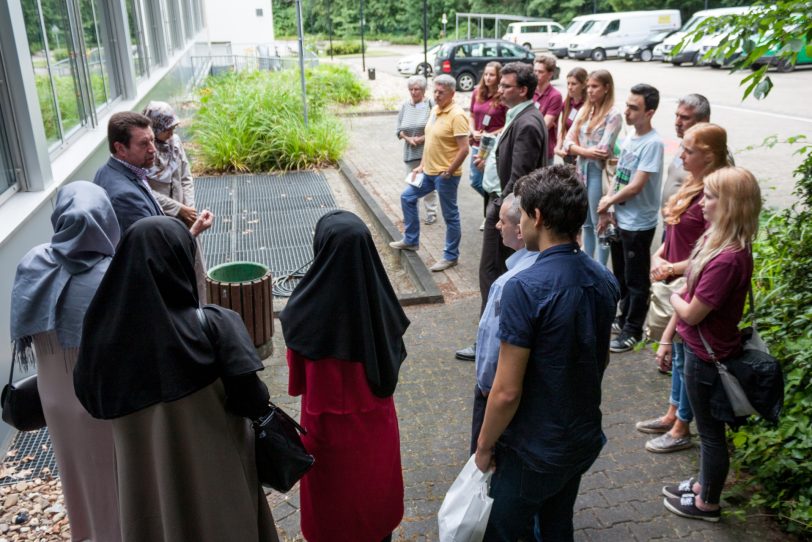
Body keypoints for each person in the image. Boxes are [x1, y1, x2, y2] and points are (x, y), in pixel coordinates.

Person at [74, 216, 279, 542]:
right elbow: (253, 400)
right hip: (216, 477)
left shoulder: (101, 343)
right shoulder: (214, 326)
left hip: (145, 489)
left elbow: (90, 400)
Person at [475, 165, 619, 541]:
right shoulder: (604, 278)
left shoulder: (523, 287)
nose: (518, 224)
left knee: (504, 529)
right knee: (557, 524)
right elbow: (598, 360)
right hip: (580, 438)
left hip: (533, 448)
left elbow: (506, 391)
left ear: (537, 217)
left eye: (522, 215)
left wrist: (484, 445)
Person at [281, 210, 409, 542]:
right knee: (374, 509)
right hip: (377, 432)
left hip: (327, 439)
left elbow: (296, 384)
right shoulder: (382, 305)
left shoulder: (301, 313)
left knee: (333, 519)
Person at [9, 181, 121, 542]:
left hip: (53, 395)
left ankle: (85, 533)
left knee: (73, 470)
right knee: (114, 473)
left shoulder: (33, 261)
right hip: (99, 395)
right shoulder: (113, 274)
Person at [661, 167, 762, 522]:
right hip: (699, 351)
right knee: (707, 432)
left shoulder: (728, 258)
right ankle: (704, 485)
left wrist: (674, 295)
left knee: (710, 434)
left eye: (710, 197)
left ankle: (708, 504)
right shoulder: (719, 242)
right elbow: (693, 274)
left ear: (731, 205)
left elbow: (691, 312)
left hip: (708, 358)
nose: (701, 203)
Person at [636, 123, 731, 453]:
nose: (681, 155)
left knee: (684, 355)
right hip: (674, 278)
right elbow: (675, 236)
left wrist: (670, 268)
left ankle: (681, 427)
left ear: (709, 155)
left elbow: (711, 254)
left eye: (688, 150)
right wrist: (658, 256)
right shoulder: (694, 184)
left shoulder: (716, 194)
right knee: (677, 355)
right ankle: (673, 412)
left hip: (688, 284)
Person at [455, 62, 546, 362]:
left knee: (492, 274)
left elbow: (521, 176)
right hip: (504, 206)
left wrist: (500, 211)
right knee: (498, 274)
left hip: (508, 209)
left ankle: (489, 341)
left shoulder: (528, 123)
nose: (500, 89)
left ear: (522, 89)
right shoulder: (519, 116)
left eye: (507, 86)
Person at [597, 83, 665, 353]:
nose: (627, 112)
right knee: (622, 274)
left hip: (639, 223)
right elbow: (621, 176)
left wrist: (608, 201)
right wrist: (609, 208)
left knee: (637, 279)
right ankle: (623, 317)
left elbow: (637, 184)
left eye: (634, 108)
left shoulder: (653, 143)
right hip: (621, 218)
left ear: (649, 112)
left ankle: (633, 330)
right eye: (627, 105)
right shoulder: (630, 138)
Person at [469, 194, 538, 453]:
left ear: (520, 231)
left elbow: (490, 353)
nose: (497, 227)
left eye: (502, 222)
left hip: (501, 397)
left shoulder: (507, 285)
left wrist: (487, 392)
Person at [389, 74, 469, 272]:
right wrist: (422, 165)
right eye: (435, 91)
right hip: (429, 172)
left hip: (445, 176)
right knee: (407, 197)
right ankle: (411, 240)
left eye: (441, 92)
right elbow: (430, 141)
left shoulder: (457, 115)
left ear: (452, 93)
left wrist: (449, 171)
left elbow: (464, 149)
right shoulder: (434, 109)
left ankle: (451, 257)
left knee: (450, 215)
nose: (437, 95)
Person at [94, 111, 213, 238]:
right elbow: (151, 251)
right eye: (144, 143)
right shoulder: (126, 197)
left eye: (152, 140)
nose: (153, 149)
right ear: (120, 148)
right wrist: (193, 232)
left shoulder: (107, 171)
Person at [143, 101, 208, 301]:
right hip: (164, 219)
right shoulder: (146, 154)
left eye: (173, 128)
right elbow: (146, 191)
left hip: (187, 217)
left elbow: (186, 176)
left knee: (196, 266)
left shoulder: (176, 143)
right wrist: (178, 209)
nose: (171, 133)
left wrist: (189, 208)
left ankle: (202, 310)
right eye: (167, 129)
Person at [561, 70, 623, 265]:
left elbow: (602, 150)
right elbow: (566, 142)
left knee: (600, 223)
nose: (590, 90)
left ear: (607, 88)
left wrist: (576, 149)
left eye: (594, 86)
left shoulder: (613, 114)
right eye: (588, 86)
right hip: (581, 171)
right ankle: (588, 263)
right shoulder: (585, 110)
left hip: (598, 172)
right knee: (586, 223)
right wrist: (583, 150)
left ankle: (601, 268)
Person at [396, 76, 439, 225]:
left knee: (427, 185)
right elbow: (399, 130)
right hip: (410, 152)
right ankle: (411, 213)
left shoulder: (430, 104)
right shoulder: (405, 106)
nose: (414, 92)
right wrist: (408, 139)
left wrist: (421, 138)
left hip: (427, 152)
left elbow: (437, 128)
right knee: (412, 184)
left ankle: (431, 213)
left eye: (417, 89)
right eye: (411, 89)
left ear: (423, 90)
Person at [468, 62, 508, 221]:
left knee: (490, 181)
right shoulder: (477, 92)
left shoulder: (502, 96)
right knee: (476, 181)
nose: (487, 78)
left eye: (491, 75)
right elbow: (471, 114)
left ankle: (492, 213)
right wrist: (472, 131)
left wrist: (490, 133)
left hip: (493, 144)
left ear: (498, 77)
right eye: (485, 74)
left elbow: (507, 123)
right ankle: (495, 207)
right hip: (478, 143)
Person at [661, 94, 711, 208]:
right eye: (677, 116)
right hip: (672, 221)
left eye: (685, 118)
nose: (677, 123)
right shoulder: (685, 141)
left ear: (704, 121)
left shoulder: (712, 150)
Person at [532, 54, 563, 163]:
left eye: (540, 72)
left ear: (550, 74)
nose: (536, 74)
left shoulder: (555, 96)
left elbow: (545, 124)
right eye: (535, 71)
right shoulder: (529, 91)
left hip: (544, 149)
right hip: (528, 147)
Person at [554, 67, 588, 165]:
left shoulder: (588, 105)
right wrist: (558, 147)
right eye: (568, 83)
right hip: (568, 153)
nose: (569, 87)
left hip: (582, 154)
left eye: (574, 84)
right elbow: (564, 128)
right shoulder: (567, 103)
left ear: (583, 85)